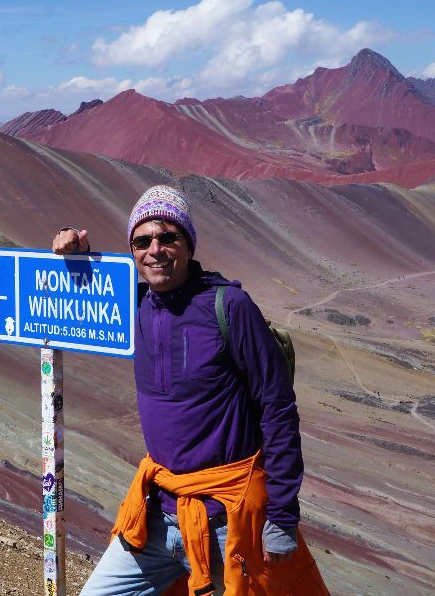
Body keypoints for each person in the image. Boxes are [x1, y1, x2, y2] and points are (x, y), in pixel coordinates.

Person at [52, 185, 328, 595]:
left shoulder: (229, 307)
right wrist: (74, 249)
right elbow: (89, 288)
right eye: (142, 241)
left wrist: (283, 516)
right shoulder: (136, 303)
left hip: (228, 522)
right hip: (157, 518)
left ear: (188, 244)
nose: (155, 250)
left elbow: (278, 408)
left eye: (168, 237)